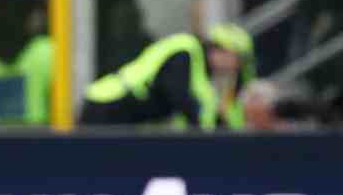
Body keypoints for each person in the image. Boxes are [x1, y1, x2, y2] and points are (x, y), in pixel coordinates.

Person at [80, 23, 255, 130]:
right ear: (221, 50)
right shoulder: (186, 51)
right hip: (107, 108)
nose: (237, 67)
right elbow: (178, 95)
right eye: (238, 58)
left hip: (125, 117)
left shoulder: (200, 68)